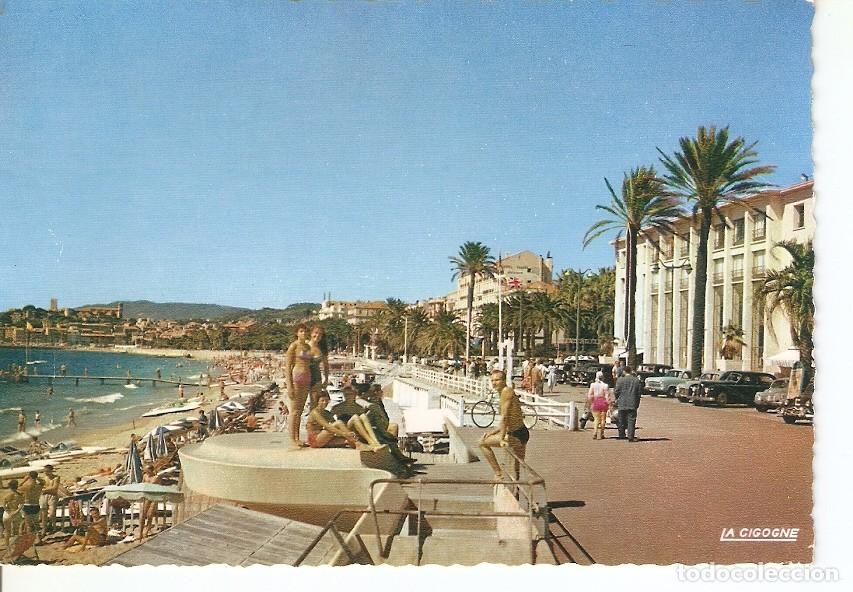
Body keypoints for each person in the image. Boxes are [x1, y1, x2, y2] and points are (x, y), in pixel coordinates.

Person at [479, 369, 529, 480]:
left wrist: (501, 439)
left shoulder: (506, 392)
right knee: (516, 469)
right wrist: (491, 433)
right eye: (492, 380)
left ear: (504, 380)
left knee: (482, 443)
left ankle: (498, 473)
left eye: (497, 380)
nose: (494, 382)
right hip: (522, 432)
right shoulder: (504, 392)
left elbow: (505, 417)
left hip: (516, 434)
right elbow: (505, 422)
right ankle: (515, 494)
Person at [285, 324, 313, 447]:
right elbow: (287, 367)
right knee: (294, 411)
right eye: (301, 331)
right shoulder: (293, 346)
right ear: (296, 333)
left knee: (300, 411)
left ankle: (297, 437)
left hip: (307, 378)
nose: (303, 333)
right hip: (296, 378)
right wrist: (289, 385)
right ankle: (292, 438)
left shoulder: (307, 346)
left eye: (305, 331)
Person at [614, 366, 642, 441]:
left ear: (624, 371)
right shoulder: (636, 380)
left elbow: (616, 391)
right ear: (631, 371)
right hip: (632, 402)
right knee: (631, 420)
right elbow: (639, 393)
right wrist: (637, 402)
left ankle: (621, 434)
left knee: (621, 419)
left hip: (622, 402)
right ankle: (631, 436)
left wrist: (617, 398)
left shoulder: (620, 380)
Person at [308, 325, 331, 410]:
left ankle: (312, 423)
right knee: (299, 406)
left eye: (320, 334)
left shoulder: (321, 348)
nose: (317, 336)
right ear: (311, 333)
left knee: (314, 404)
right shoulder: (304, 346)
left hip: (316, 378)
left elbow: (326, 365)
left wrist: (326, 379)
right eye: (316, 333)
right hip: (303, 378)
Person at [138, 465, 162, 541]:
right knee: (142, 515)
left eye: (147, 470)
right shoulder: (145, 476)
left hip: (154, 497)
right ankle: (140, 533)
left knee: (150, 515)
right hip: (146, 496)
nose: (146, 472)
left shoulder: (156, 477)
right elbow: (142, 485)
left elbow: (159, 487)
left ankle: (146, 530)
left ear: (151, 470)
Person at [18, 471, 44, 540]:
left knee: (29, 525)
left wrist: (24, 480)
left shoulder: (26, 486)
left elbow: (18, 487)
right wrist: (37, 478)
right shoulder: (39, 486)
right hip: (36, 505)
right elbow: (43, 482)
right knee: (36, 524)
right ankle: (39, 539)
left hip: (28, 505)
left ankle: (30, 540)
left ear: (29, 476)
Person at [587, 372, 612, 440]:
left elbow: (590, 395)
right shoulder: (605, 385)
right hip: (603, 402)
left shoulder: (593, 385)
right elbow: (607, 396)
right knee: (603, 419)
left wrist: (591, 402)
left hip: (596, 401)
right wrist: (609, 404)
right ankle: (602, 433)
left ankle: (595, 432)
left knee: (596, 419)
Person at [40, 465, 62, 537]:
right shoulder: (44, 478)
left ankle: (53, 526)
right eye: (45, 471)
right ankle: (44, 528)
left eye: (47, 471)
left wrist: (44, 489)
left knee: (52, 513)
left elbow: (54, 488)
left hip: (52, 496)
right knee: (44, 513)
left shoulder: (56, 478)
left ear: (51, 471)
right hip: (44, 496)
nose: (46, 473)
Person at [2, 480, 24, 552]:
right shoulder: (20, 495)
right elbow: (21, 506)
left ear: (9, 486)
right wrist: (15, 512)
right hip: (16, 513)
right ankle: (15, 548)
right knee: (16, 532)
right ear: (17, 486)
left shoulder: (7, 495)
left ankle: (7, 547)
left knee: (7, 531)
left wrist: (9, 512)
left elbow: (4, 505)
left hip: (7, 514)